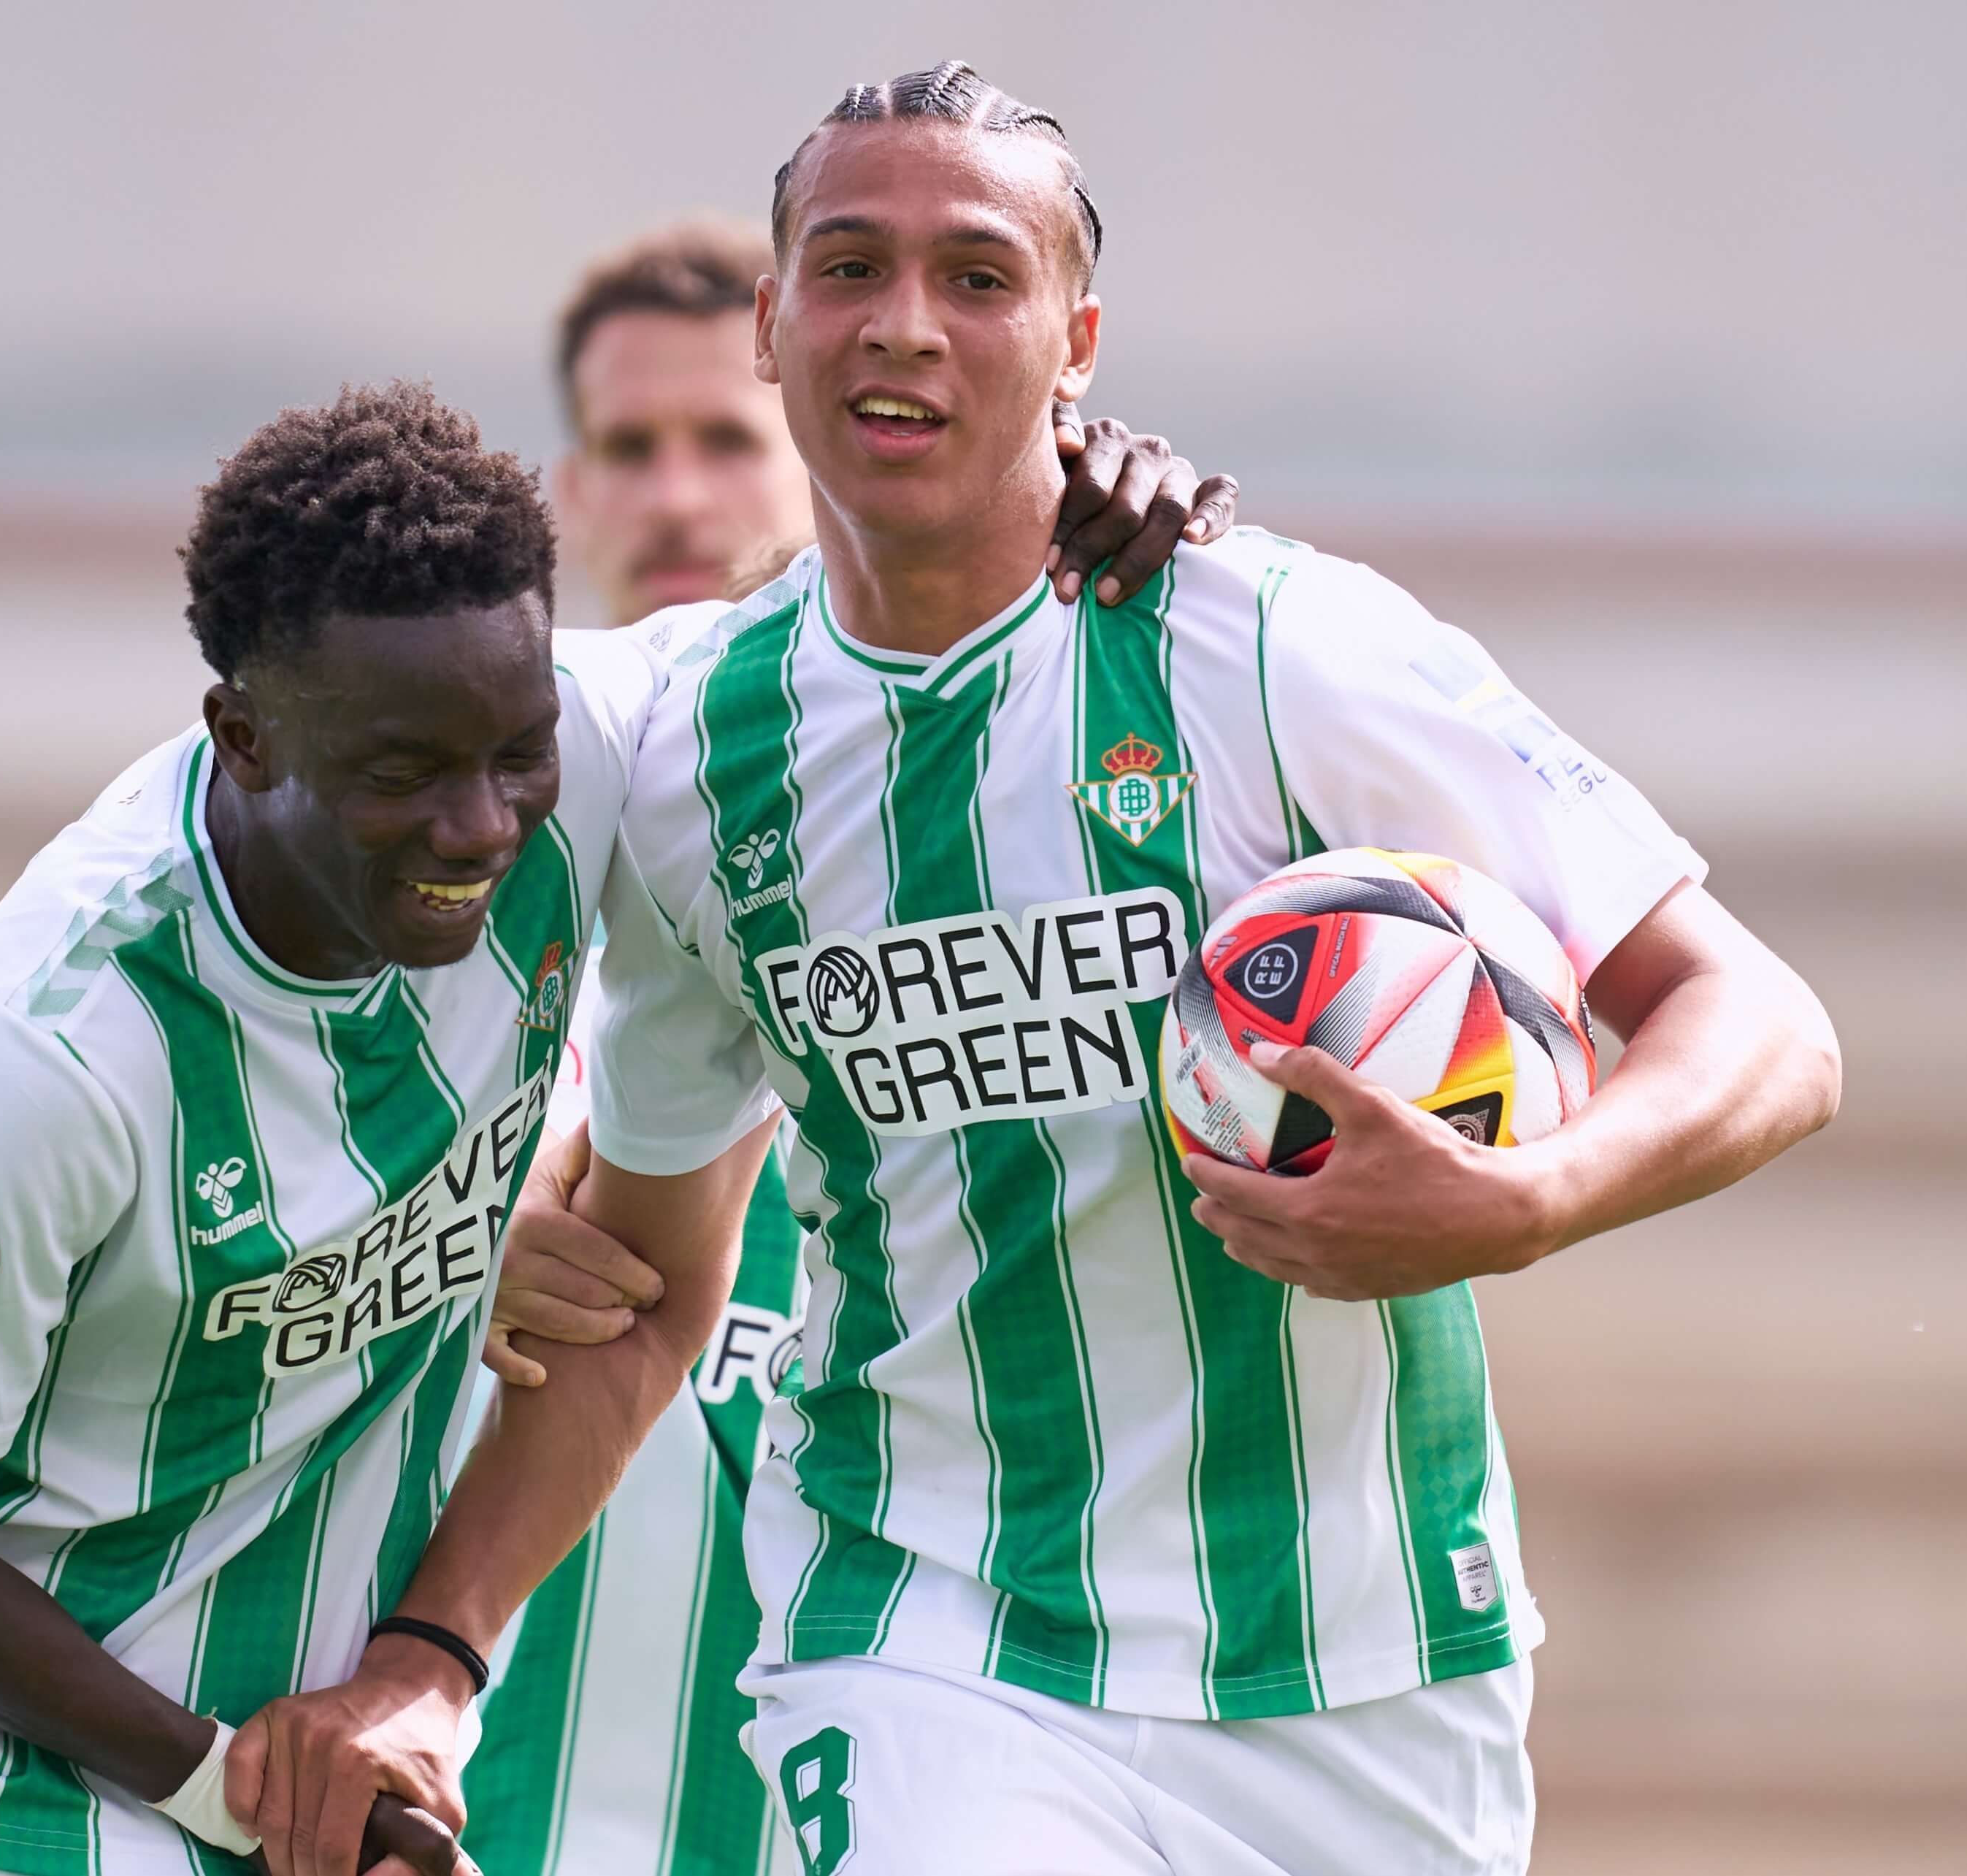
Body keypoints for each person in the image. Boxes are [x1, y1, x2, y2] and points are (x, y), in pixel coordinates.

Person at [493, 61, 1841, 1875]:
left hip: (1364, 1655)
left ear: (1077, 340)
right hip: (927, 1629)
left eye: (979, 277)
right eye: (848, 267)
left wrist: (1528, 1198)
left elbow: (1762, 1020)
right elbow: (652, 1274)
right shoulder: (690, 750)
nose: (905, 325)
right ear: (769, 317)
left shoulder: (1280, 646)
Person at [0, 378, 1226, 1876]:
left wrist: (1044, 481)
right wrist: (231, 1788)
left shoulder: (590, 745)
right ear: (243, 738)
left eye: (516, 755)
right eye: (403, 778)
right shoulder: (39, 1061)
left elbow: (850, 641)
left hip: (283, 1777)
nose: (480, 827)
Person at [462, 221, 1235, 1876]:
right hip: (481, 1815)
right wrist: (431, 1227)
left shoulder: (961, 912)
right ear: (569, 495)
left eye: (721, 440)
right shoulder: (444, 884)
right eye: (628, 450)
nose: (678, 496)